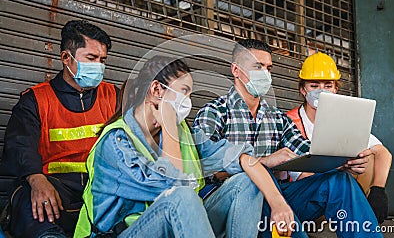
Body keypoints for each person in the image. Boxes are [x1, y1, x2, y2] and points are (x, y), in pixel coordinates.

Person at [75, 55, 286, 238]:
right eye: (184, 92)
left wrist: (278, 203)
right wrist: (169, 125)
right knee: (182, 196)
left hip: (174, 226)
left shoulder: (185, 132)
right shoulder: (116, 142)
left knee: (246, 181)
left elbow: (241, 158)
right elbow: (172, 185)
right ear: (157, 89)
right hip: (121, 233)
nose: (188, 101)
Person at [192, 39, 383, 238]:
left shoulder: (277, 118)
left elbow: (309, 151)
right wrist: (265, 163)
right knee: (253, 180)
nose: (265, 73)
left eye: (268, 68)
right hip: (231, 204)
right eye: (258, 66)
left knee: (338, 182)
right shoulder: (213, 113)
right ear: (236, 70)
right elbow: (206, 167)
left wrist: (343, 161)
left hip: (277, 204)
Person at [2, 20, 119, 237]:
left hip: (102, 191)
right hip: (55, 191)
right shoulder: (35, 100)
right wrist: (36, 179)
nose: (99, 66)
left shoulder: (114, 96)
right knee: (30, 197)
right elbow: (19, 145)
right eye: (92, 59)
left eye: (103, 60)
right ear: (66, 57)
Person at [286, 52, 392, 224]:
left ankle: (360, 216)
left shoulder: (344, 118)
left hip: (341, 192)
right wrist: (339, 169)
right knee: (337, 179)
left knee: (369, 157)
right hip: (306, 198)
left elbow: (383, 153)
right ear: (302, 89)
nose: (321, 90)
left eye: (328, 85)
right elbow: (300, 176)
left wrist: (378, 189)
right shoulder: (289, 122)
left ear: (335, 89)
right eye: (314, 85)